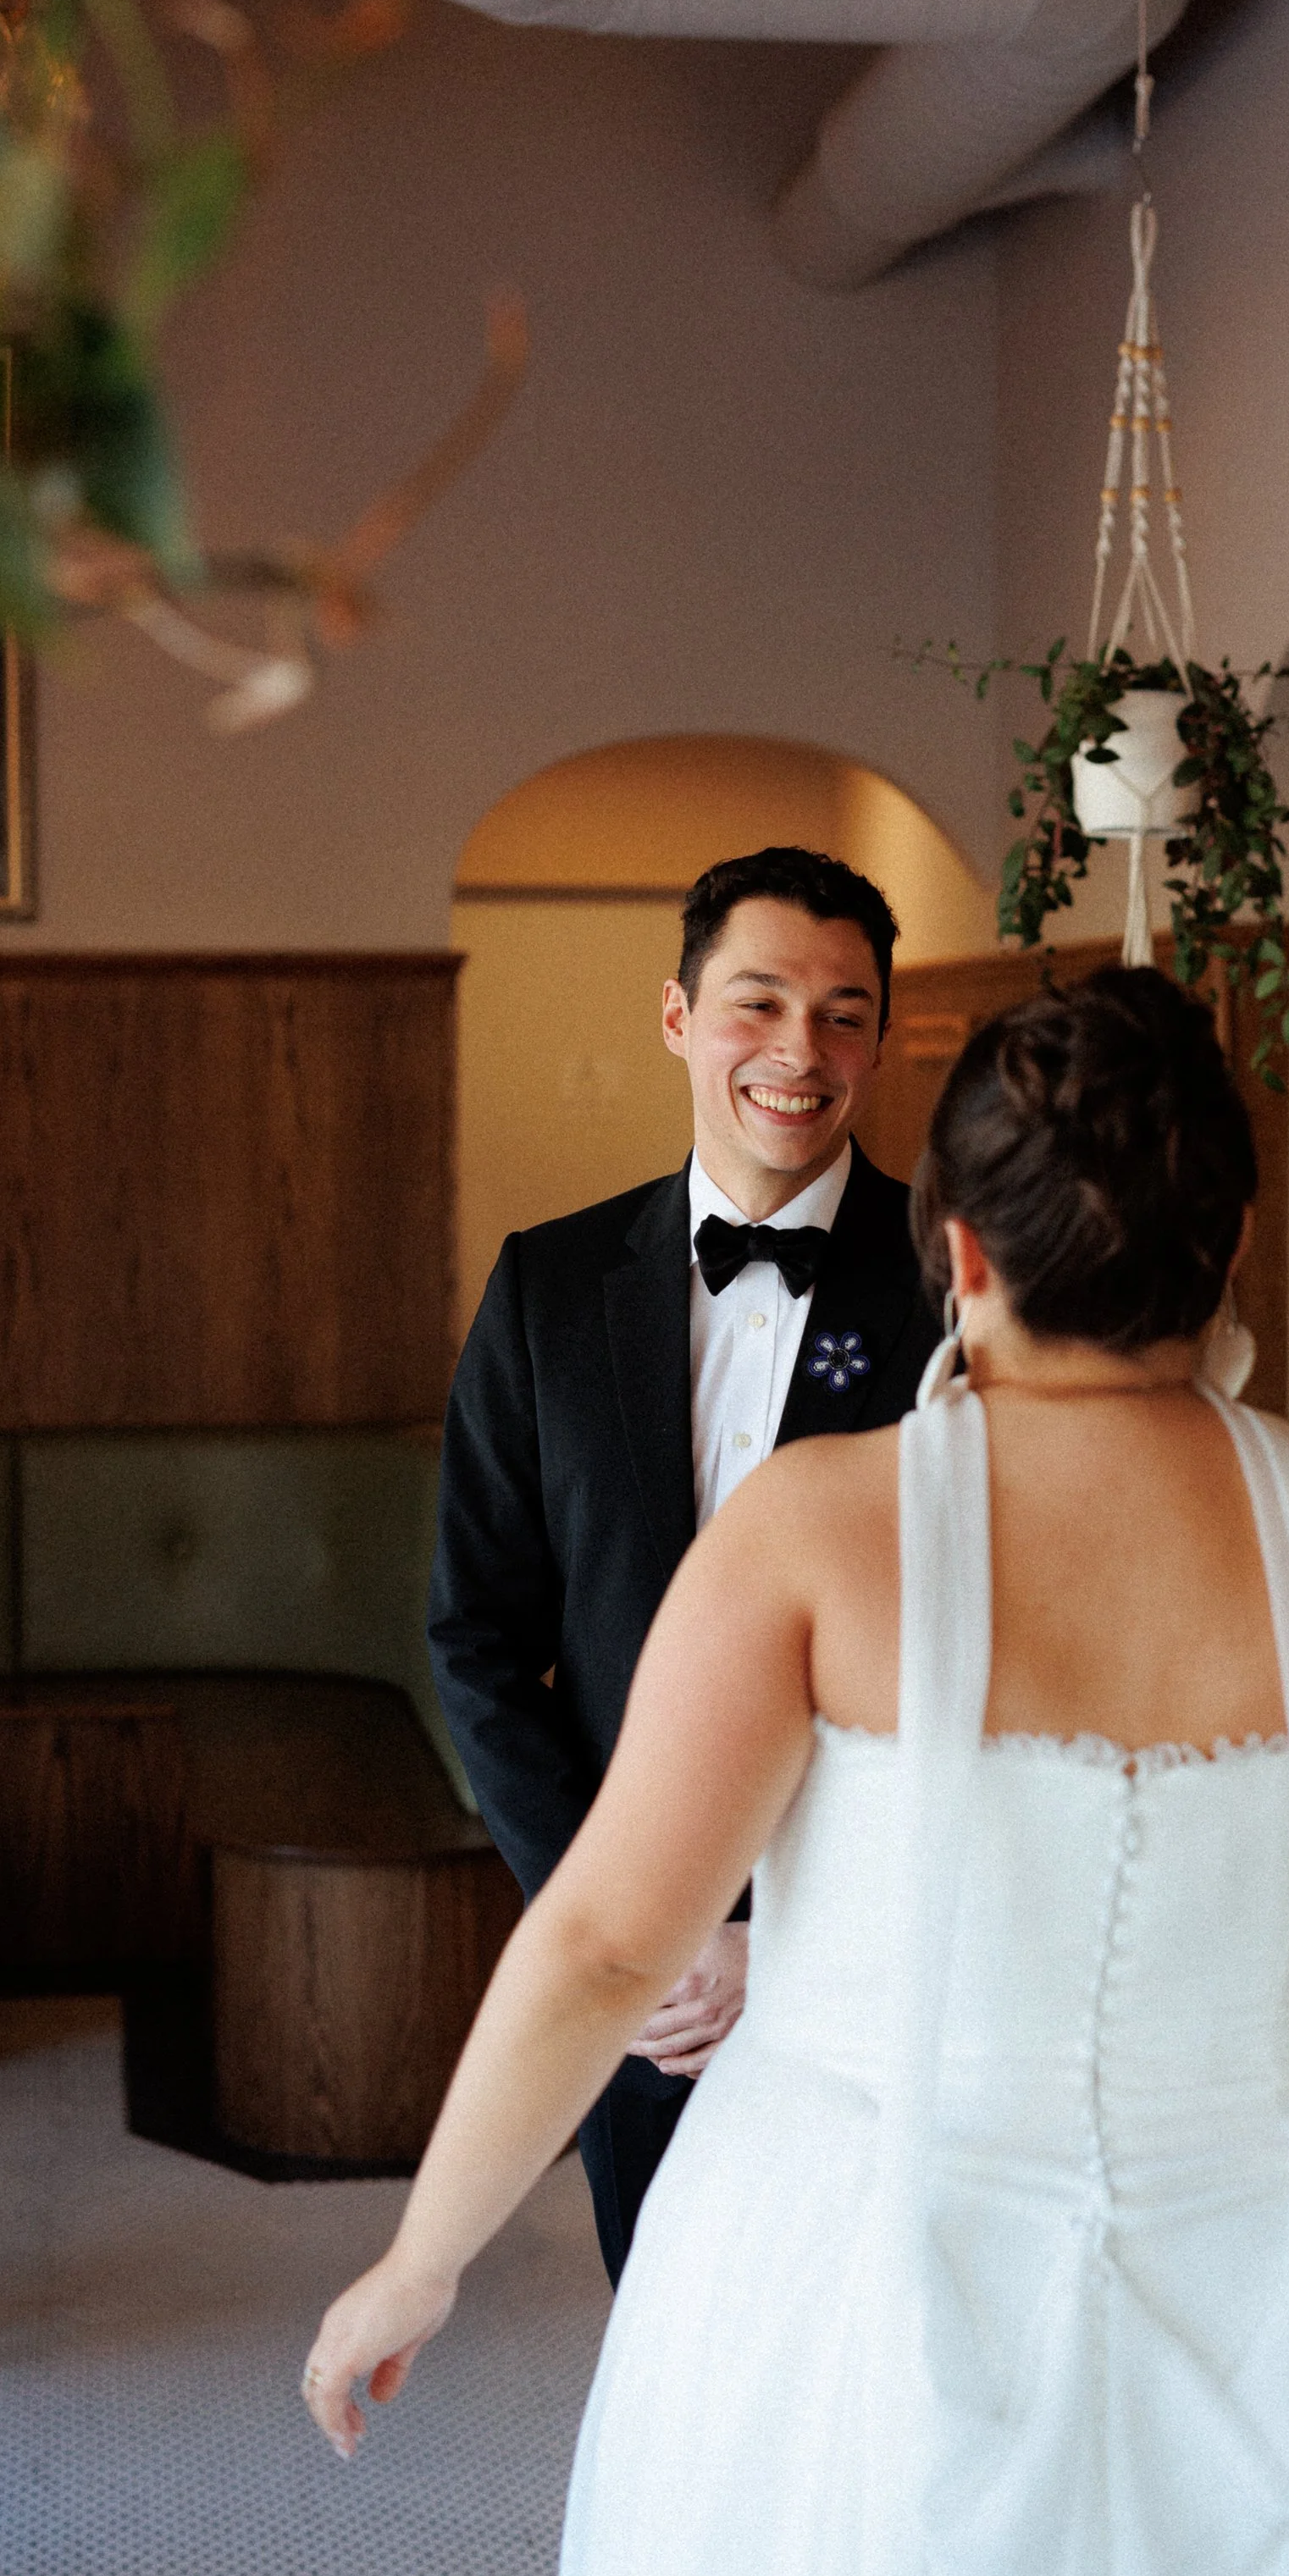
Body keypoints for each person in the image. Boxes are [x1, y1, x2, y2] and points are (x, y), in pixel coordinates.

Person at [310, 967, 1289, 2576]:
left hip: (847, 2257)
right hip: (1283, 2261)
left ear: (954, 1255)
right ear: (1225, 1254)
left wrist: (420, 2258)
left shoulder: (815, 1528)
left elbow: (598, 1940)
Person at [428, 843, 938, 2280]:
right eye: (758, 1003)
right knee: (669, 2341)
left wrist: (792, 1933)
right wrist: (638, 1925)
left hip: (873, 1961)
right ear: (677, 1016)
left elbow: (992, 1645)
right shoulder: (547, 1286)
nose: (800, 1050)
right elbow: (476, 1638)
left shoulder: (958, 1293)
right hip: (639, 1973)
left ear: (883, 1039)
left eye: (845, 1012)